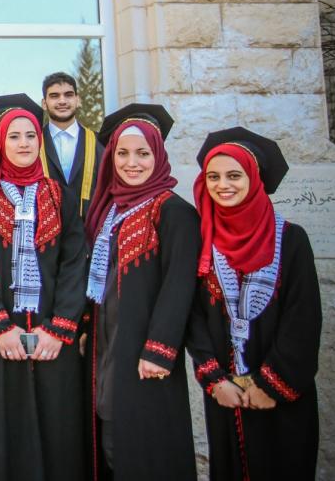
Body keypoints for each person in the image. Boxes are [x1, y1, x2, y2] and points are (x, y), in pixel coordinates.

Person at [0, 95, 87, 481]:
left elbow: (74, 262)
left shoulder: (59, 194)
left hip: (51, 336)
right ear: (1, 142)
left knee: (57, 426)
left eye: (31, 134)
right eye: (14, 136)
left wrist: (59, 327)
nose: (25, 143)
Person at [187, 128, 321, 480]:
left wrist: (270, 385)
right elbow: (194, 316)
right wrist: (215, 380)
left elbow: (303, 319)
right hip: (226, 394)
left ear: (255, 179)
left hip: (280, 396)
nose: (222, 185)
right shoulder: (203, 240)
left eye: (234, 175)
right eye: (213, 177)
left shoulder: (291, 239)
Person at [84, 104, 200, 480]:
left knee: (146, 444)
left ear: (158, 156)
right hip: (108, 343)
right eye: (122, 153)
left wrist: (160, 349)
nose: (132, 163)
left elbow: (179, 285)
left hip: (145, 351)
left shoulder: (175, 212)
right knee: (111, 436)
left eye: (143, 153)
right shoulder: (109, 211)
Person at [40, 71, 103, 217]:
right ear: (44, 103)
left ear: (77, 100)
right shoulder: (33, 143)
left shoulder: (99, 142)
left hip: (90, 232)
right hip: (45, 232)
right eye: (54, 96)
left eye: (68, 95)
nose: (62, 101)